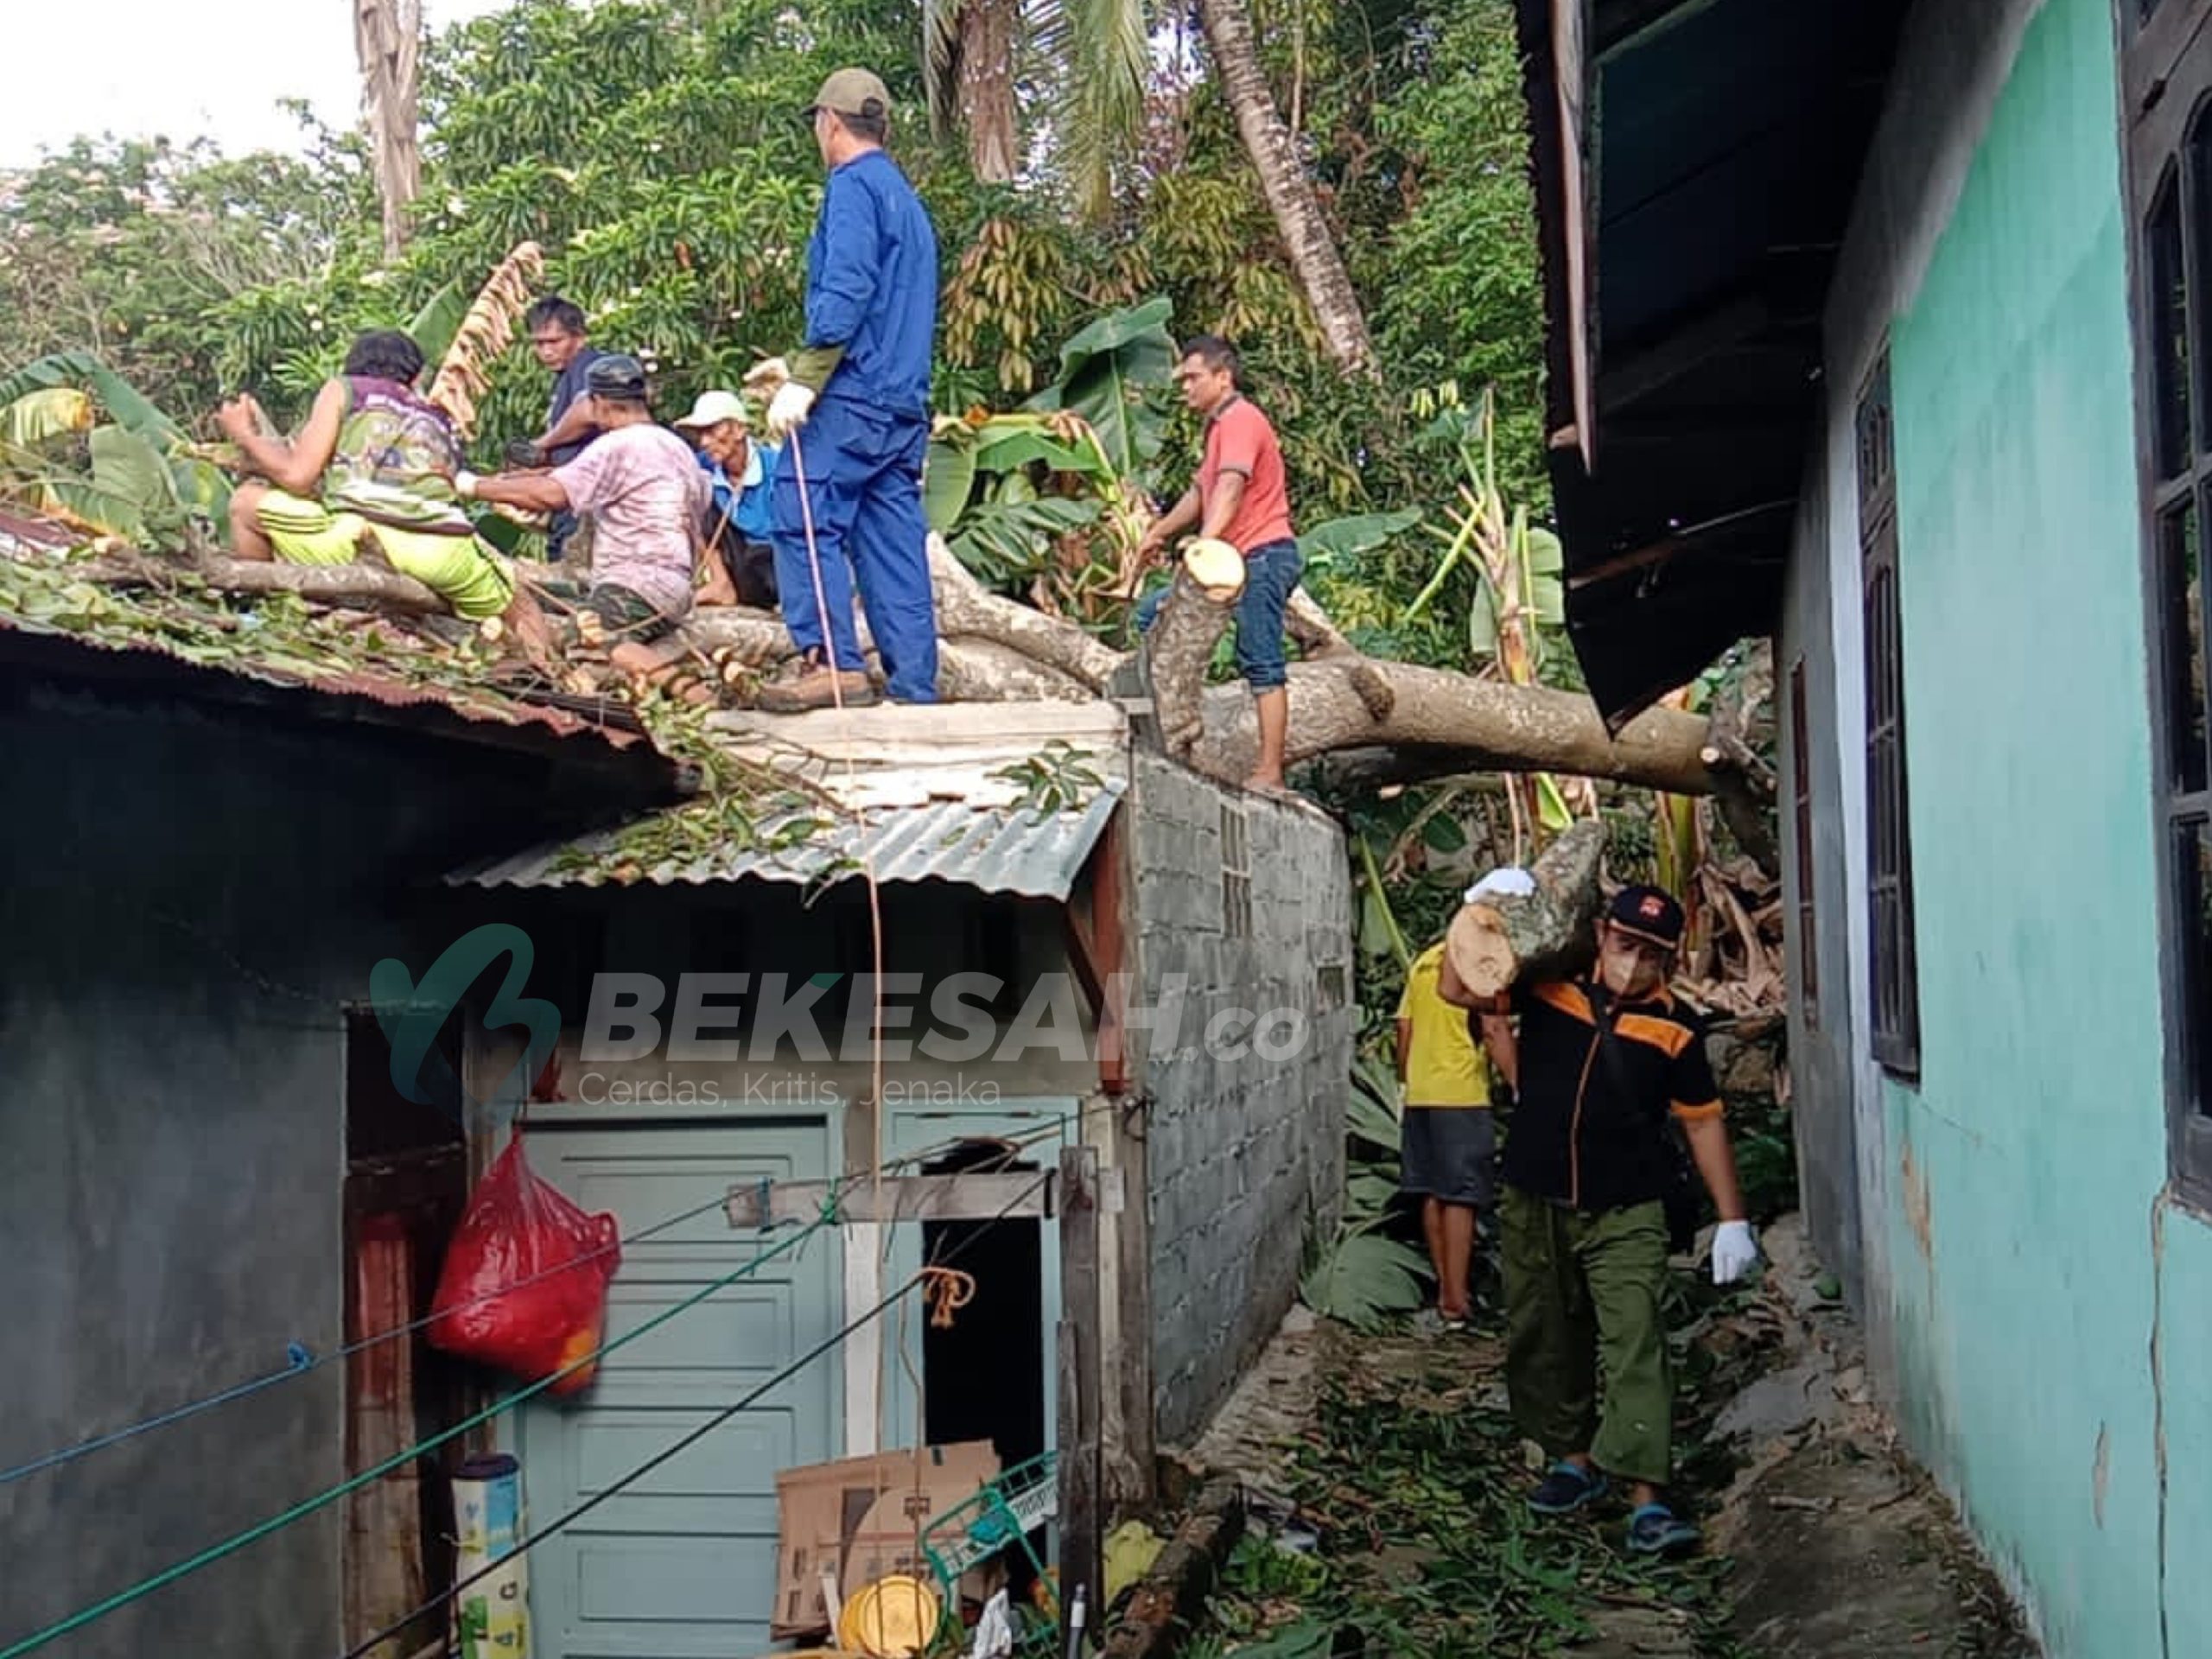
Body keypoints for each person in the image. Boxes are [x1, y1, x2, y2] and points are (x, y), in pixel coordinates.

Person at [1440, 880, 1761, 1556]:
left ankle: (1647, 1497)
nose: (1633, 959)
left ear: (1669, 959)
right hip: (1534, 1194)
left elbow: (1702, 1125)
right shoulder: (1547, 987)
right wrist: (1478, 914)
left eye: (1651, 951)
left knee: (1635, 1337)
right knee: (1544, 1329)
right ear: (1599, 935)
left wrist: (1733, 1218)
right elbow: (1458, 990)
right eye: (1624, 942)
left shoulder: (1676, 1025)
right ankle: (1573, 1461)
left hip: (1627, 1206)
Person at [748, 67, 940, 711]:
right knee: (891, 534)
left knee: (801, 509)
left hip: (853, 396)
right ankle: (916, 685)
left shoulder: (852, 186)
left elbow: (849, 289)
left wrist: (806, 380)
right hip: (901, 403)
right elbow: (889, 307)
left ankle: (830, 663)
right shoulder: (907, 204)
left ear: (829, 123)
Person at [219, 329, 519, 627]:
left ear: (352, 367)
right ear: (415, 378)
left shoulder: (345, 389)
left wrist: (244, 435)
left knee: (246, 502)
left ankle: (253, 619)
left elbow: (299, 477)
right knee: (518, 605)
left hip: (361, 536)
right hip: (446, 554)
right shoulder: (439, 416)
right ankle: (552, 662)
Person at [455, 353, 708, 656]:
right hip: (675, 590)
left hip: (634, 588)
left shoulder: (619, 444)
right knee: (539, 593)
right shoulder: (678, 450)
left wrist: (471, 485)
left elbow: (552, 495)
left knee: (580, 654)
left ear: (598, 402)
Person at [1135, 335, 1301, 791]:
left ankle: (1271, 771)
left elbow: (1229, 490)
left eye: (1193, 377)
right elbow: (1199, 494)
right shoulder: (1218, 428)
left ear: (1223, 377)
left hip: (1263, 555)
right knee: (1151, 616)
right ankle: (1170, 726)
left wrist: (1201, 550)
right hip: (1235, 558)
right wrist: (1159, 532)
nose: (1184, 387)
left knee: (1261, 658)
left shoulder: (1243, 420)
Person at [1395, 935, 1494, 1332]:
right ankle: (1456, 1300)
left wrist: (1407, 1080)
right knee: (1461, 1195)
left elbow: (1404, 1029)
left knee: (1435, 1191)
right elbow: (1494, 1027)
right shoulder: (1481, 962)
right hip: (1461, 1094)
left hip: (1421, 1093)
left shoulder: (1424, 961)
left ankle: (1445, 1293)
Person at [516, 296, 607, 563]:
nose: (546, 351)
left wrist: (542, 443)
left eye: (554, 342)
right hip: (567, 502)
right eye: (539, 344)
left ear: (579, 337)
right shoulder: (565, 379)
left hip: (588, 505)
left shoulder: (589, 365)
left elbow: (587, 411)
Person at [675, 389, 781, 608]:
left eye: (713, 431)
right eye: (701, 433)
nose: (705, 441)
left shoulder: (776, 467)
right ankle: (721, 583)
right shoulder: (704, 466)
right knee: (692, 493)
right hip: (740, 559)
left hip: (777, 559)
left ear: (740, 430)